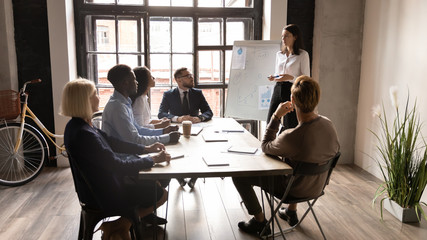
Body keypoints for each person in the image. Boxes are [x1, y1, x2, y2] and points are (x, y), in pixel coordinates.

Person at [62, 79, 170, 239]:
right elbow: (116, 165)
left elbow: (113, 142)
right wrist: (152, 160)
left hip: (93, 189)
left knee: (154, 183)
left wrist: (145, 148)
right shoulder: (85, 134)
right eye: (94, 95)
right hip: (105, 193)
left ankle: (119, 228)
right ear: (84, 100)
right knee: (160, 193)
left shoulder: (77, 126)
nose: (98, 97)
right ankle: (117, 226)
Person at [233, 76, 340, 236]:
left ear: (292, 99)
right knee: (296, 161)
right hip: (318, 186)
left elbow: (266, 146)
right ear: (317, 98)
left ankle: (260, 222)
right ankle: (291, 211)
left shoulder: (292, 136)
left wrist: (276, 116)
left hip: (293, 190)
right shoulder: (328, 124)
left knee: (239, 176)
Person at [158, 67, 213, 189]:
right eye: (188, 76)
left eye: (191, 75)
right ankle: (179, 178)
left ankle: (194, 178)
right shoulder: (169, 94)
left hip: (195, 130)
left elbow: (208, 112)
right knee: (175, 152)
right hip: (176, 130)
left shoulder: (197, 93)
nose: (191, 77)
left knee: (198, 151)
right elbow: (161, 114)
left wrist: (199, 118)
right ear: (178, 80)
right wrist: (178, 118)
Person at [102, 64, 180, 146]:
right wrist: (167, 138)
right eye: (134, 79)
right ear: (125, 83)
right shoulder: (117, 107)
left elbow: (138, 130)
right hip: (122, 155)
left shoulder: (125, 103)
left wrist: (163, 131)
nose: (137, 82)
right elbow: (135, 140)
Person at [267, 24, 310, 131]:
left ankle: (288, 146)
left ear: (295, 37)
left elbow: (306, 79)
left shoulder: (303, 55)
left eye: (287, 36)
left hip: (292, 90)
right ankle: (270, 145)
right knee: (271, 120)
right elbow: (278, 73)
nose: (283, 39)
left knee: (290, 123)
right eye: (282, 36)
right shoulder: (279, 54)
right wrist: (274, 77)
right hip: (278, 88)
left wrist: (290, 77)